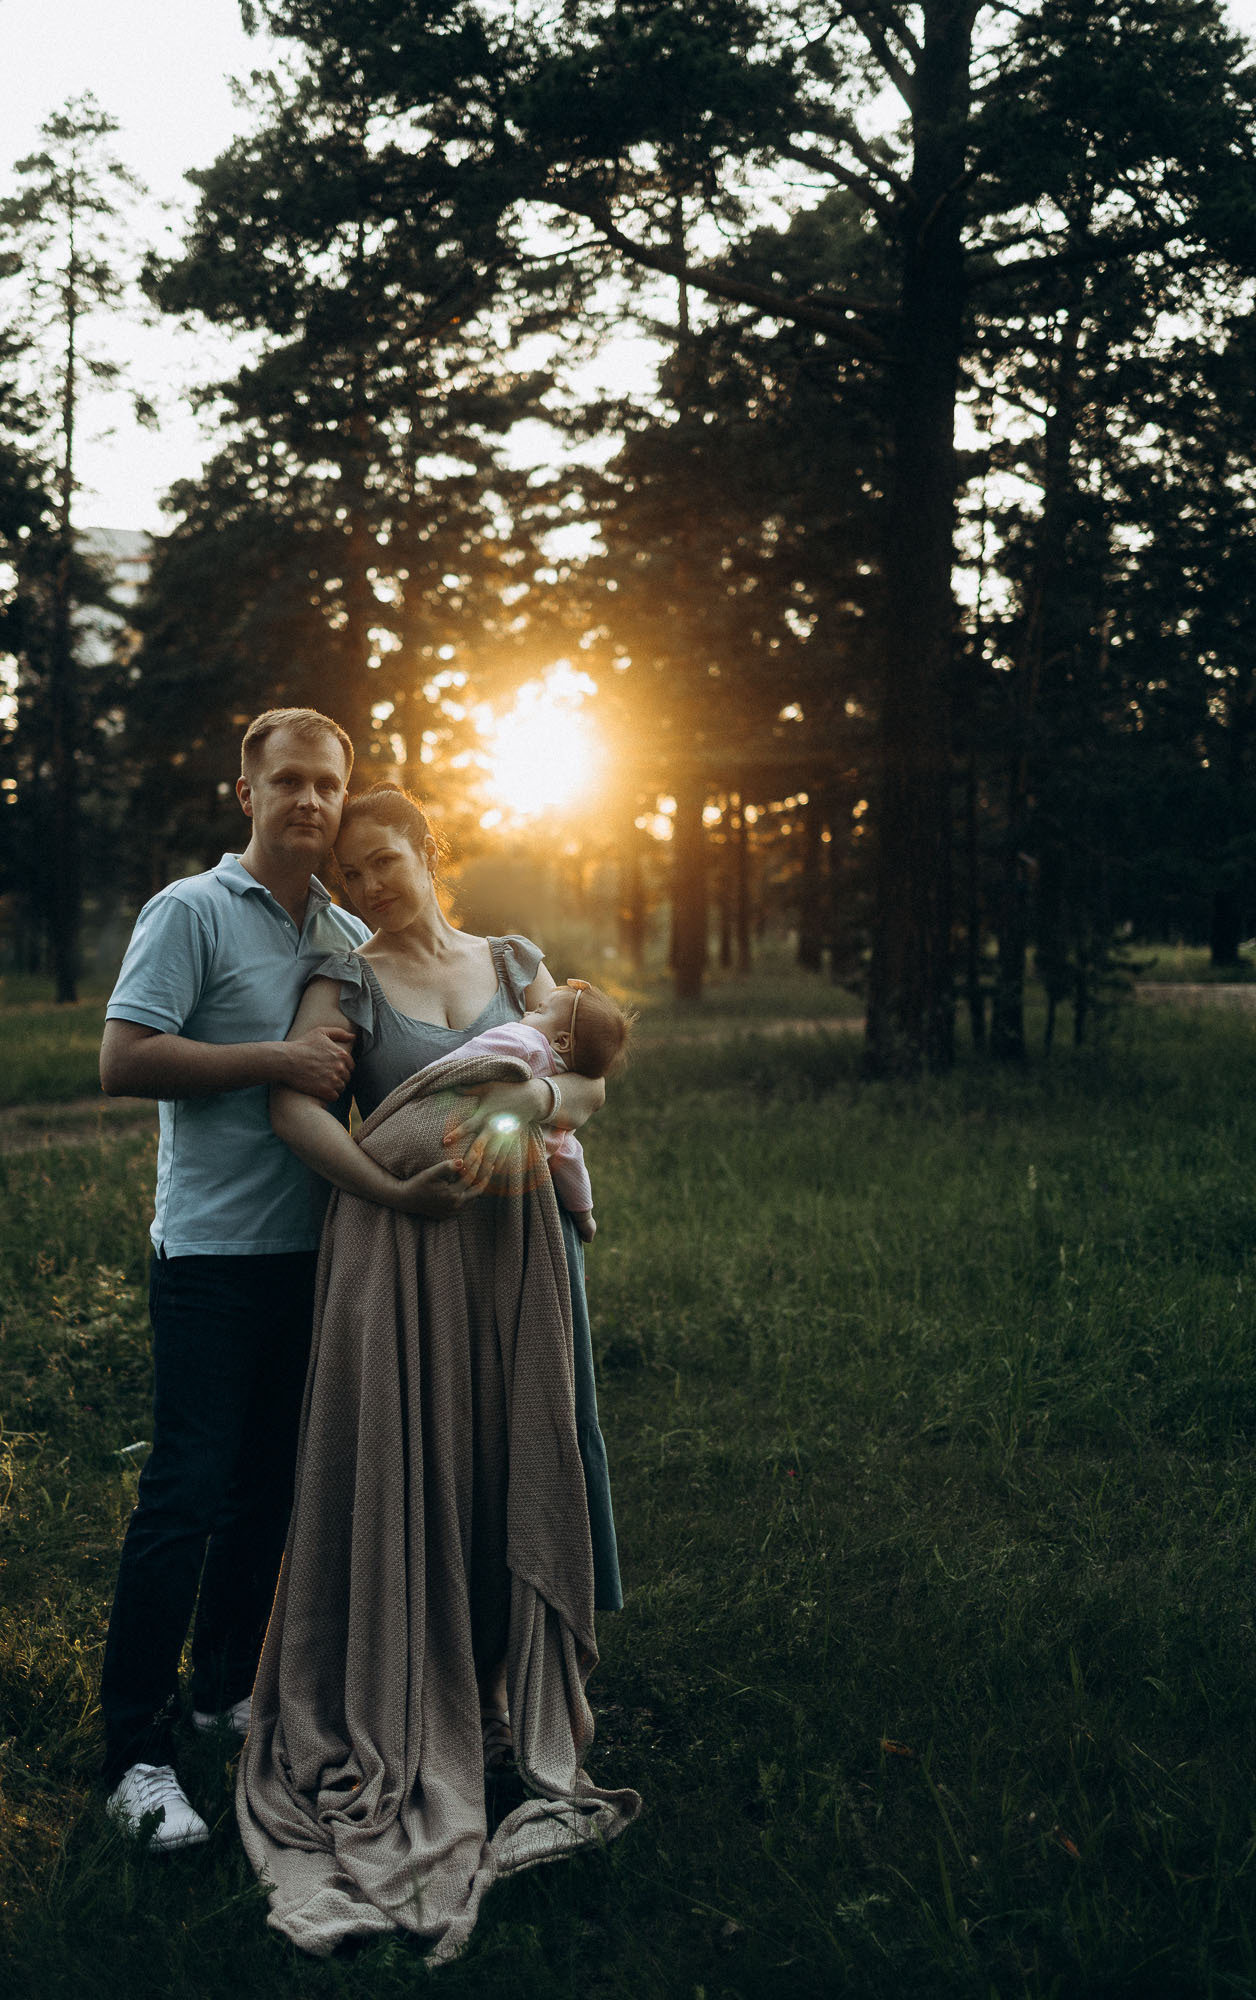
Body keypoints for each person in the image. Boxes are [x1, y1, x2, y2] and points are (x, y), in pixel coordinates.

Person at [235, 784, 637, 1958]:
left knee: (522, 1450)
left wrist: (538, 1094)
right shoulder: (344, 977)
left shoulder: (514, 959)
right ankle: (425, 1691)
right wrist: (386, 1187)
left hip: (517, 1256)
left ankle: (507, 1693)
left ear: (425, 850)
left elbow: (591, 1078)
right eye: (351, 875)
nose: (370, 886)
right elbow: (293, 1112)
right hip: (405, 1252)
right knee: (422, 1461)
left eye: (385, 860)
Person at [97, 708, 433, 1852]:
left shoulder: (343, 929)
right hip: (208, 1254)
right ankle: (133, 1754)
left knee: (269, 1491)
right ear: (245, 792)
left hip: (319, 1253)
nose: (308, 801)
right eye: (286, 780)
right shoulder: (189, 910)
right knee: (184, 1493)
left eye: (327, 786)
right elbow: (123, 1056)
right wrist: (274, 1062)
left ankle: (221, 1690)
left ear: (344, 800)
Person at [443, 976, 632, 1243]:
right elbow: (571, 1162)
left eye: (539, 1010)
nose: (528, 1012)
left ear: (562, 1042)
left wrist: (428, 1079)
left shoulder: (524, 1041)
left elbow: (466, 1058)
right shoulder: (563, 1119)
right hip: (515, 1203)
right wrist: (584, 1216)